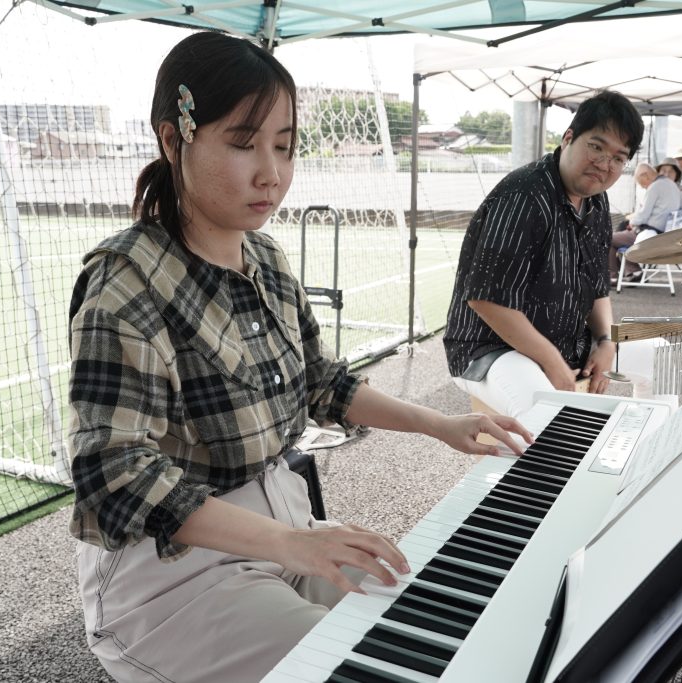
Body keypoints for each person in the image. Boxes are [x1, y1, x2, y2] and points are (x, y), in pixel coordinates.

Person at [65, 32, 531, 683]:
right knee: (369, 667)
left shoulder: (264, 257)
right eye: (242, 143)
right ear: (173, 140)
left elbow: (321, 381)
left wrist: (441, 424)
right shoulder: (126, 281)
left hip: (284, 527)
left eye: (284, 146)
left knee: (429, 626)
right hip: (175, 576)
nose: (272, 173)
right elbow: (112, 473)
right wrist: (293, 543)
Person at [443, 90, 645, 422]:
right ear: (568, 138)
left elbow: (597, 287)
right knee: (548, 414)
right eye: (596, 147)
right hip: (490, 348)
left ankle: (654, 448)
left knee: (659, 357)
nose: (604, 164)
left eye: (618, 158)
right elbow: (485, 299)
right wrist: (551, 361)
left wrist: (607, 342)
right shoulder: (524, 194)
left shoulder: (597, 202)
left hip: (563, 343)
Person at [608, 157, 682, 283]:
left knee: (609, 238)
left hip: (651, 236)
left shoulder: (655, 186)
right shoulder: (674, 186)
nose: (642, 187)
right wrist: (671, 219)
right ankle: (631, 272)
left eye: (641, 183)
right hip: (666, 236)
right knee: (620, 238)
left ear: (645, 175)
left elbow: (643, 216)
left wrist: (632, 222)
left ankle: (614, 277)